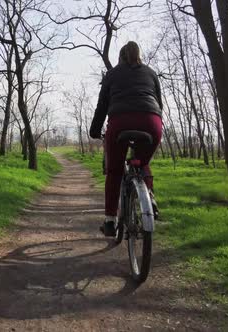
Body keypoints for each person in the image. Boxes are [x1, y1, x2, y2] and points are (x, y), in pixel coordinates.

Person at [89, 41, 163, 237]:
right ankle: (151, 198)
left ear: (120, 58)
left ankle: (110, 222)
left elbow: (102, 107)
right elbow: (159, 104)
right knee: (143, 162)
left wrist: (94, 131)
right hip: (151, 122)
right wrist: (153, 122)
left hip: (120, 123)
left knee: (114, 171)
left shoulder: (112, 74)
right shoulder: (151, 73)